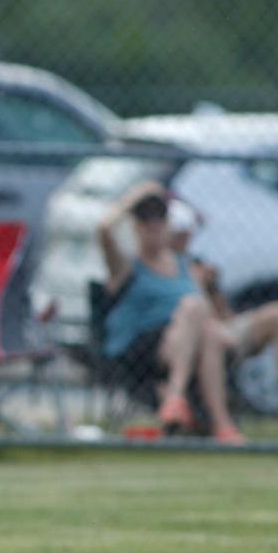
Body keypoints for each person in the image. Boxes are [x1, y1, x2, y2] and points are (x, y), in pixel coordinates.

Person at [97, 181, 245, 443]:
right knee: (192, 306)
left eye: (160, 217)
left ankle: (220, 425)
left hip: (191, 341)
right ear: (134, 226)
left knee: (208, 330)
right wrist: (136, 196)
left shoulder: (185, 264)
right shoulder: (127, 266)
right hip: (144, 346)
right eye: (145, 218)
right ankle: (179, 399)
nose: (153, 224)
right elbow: (103, 229)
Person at [167, 199, 278, 425]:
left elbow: (224, 314)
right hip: (189, 336)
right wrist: (197, 285)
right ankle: (220, 422)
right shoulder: (160, 265)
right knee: (209, 330)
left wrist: (211, 287)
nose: (184, 238)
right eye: (179, 233)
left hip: (222, 327)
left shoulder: (197, 262)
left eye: (187, 233)